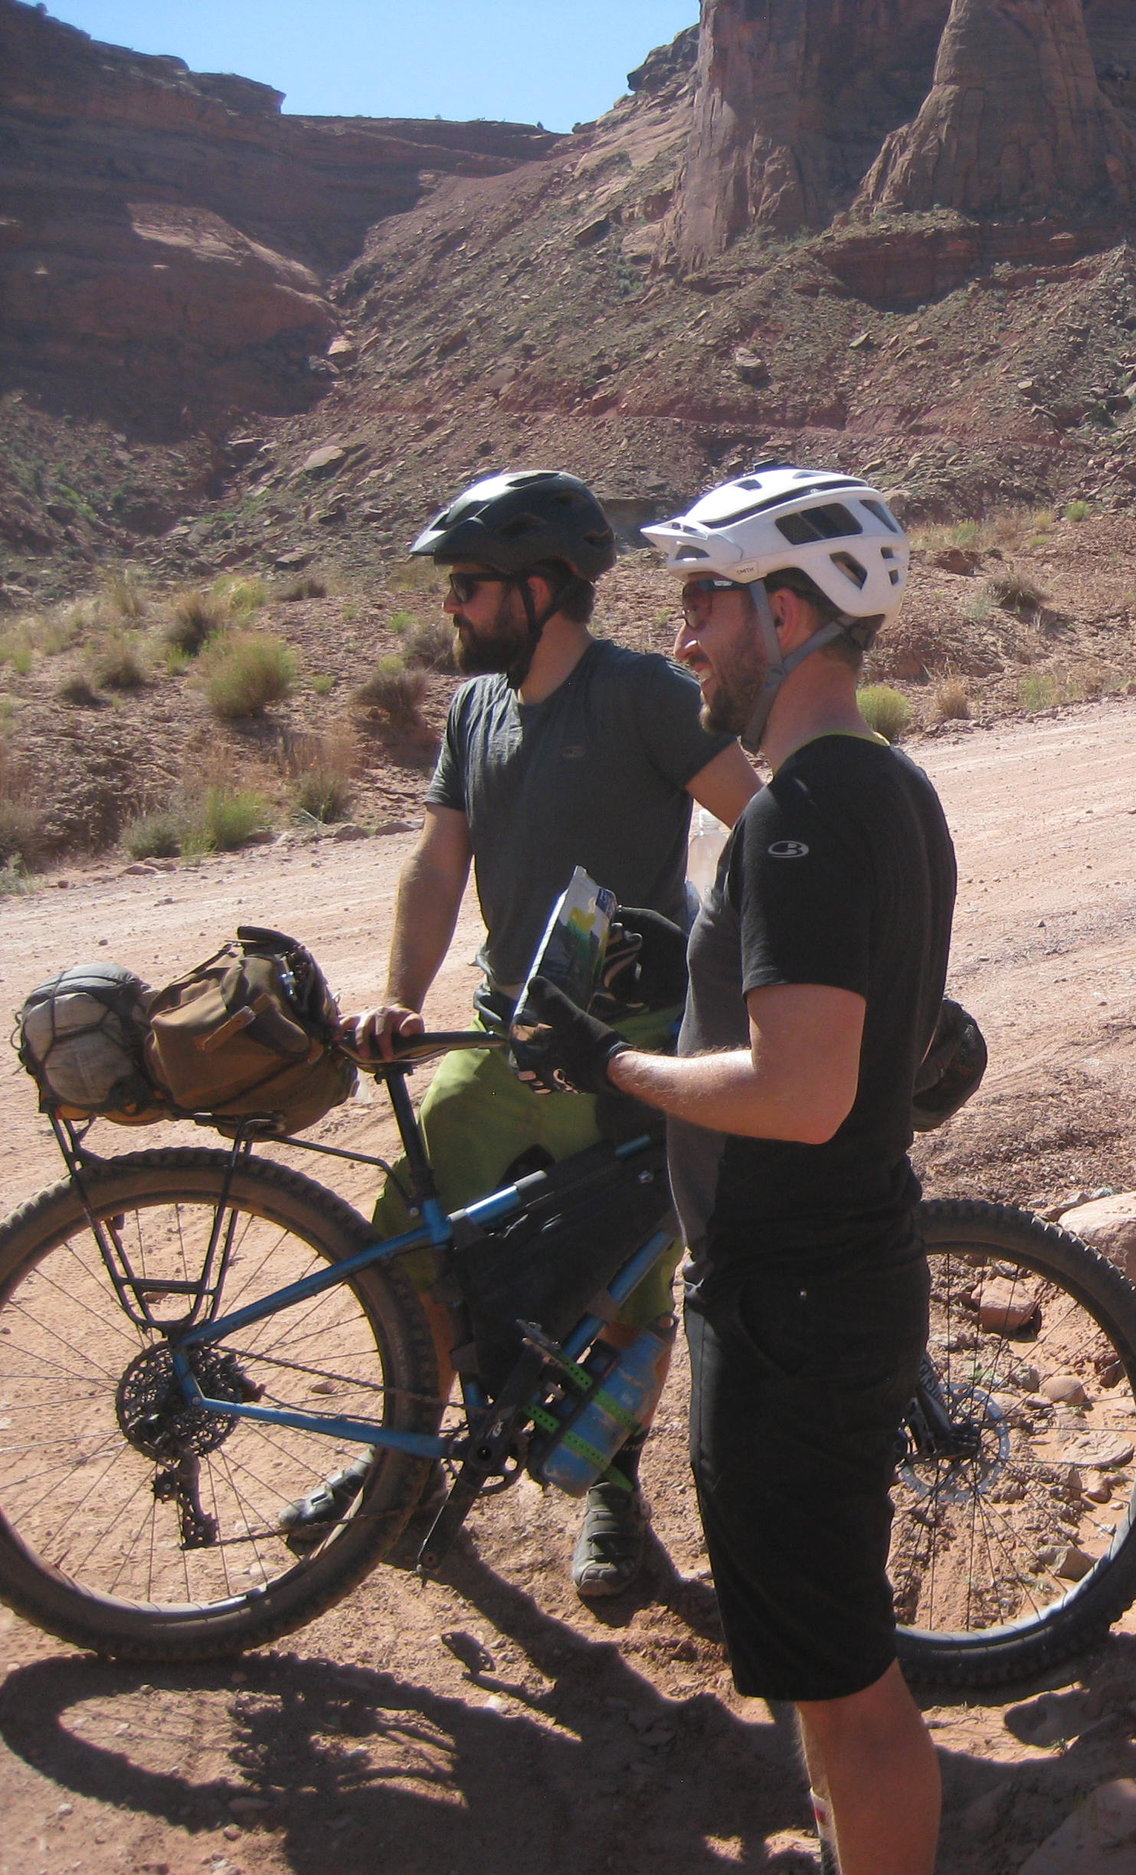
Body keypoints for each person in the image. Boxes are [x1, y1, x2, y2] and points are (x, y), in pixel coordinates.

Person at [508, 466, 949, 1875]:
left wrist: (610, 1065)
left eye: (703, 599)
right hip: (813, 1281)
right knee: (823, 1671)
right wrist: (684, 969)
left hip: (794, 1301)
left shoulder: (803, 815)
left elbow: (802, 1089)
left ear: (786, 608)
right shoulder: (874, 783)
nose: (685, 636)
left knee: (845, 1680)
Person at [282, 468, 760, 1599]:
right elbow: (440, 862)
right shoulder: (474, 709)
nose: (450, 606)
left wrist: (740, 980)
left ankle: (613, 1494)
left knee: (631, 1283)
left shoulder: (642, 694)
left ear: (541, 590)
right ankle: (399, 1471)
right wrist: (401, 996)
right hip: (501, 1041)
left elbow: (759, 818)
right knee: (417, 1246)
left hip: (630, 1042)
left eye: (468, 587)